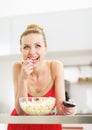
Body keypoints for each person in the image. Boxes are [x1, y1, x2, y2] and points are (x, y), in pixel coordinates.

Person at [7, 24, 77, 130]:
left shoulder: (55, 67)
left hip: (49, 125)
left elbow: (60, 110)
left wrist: (69, 110)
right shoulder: (17, 67)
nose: (32, 52)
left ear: (45, 49)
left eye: (38, 46)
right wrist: (23, 78)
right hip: (20, 126)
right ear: (21, 50)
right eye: (26, 47)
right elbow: (20, 111)